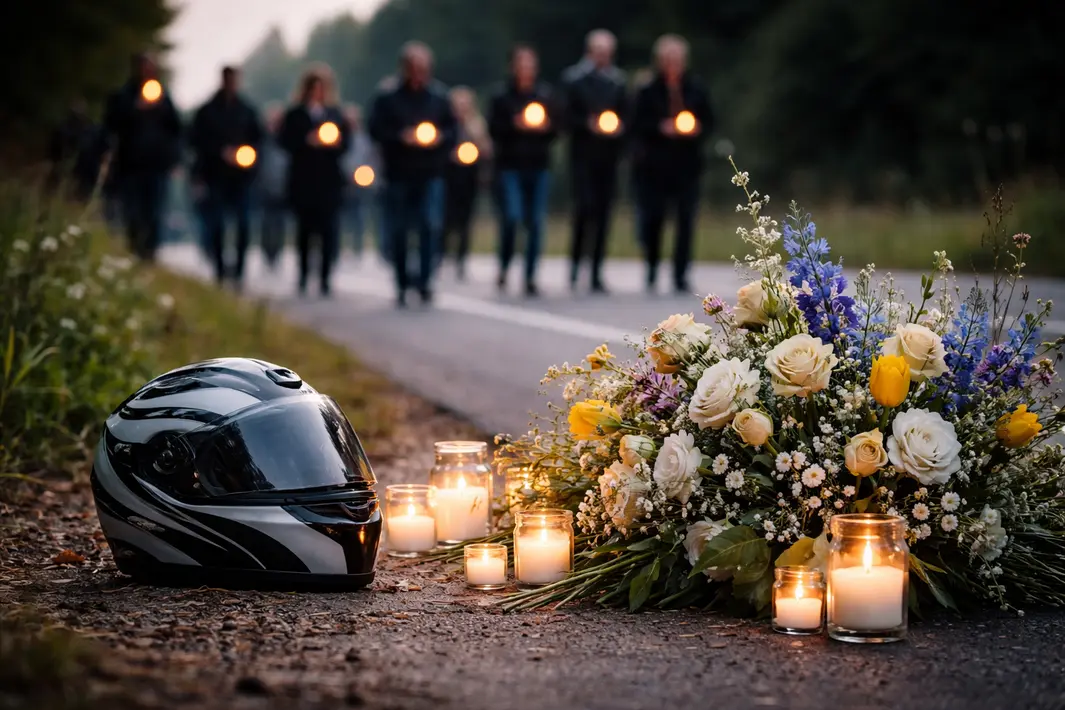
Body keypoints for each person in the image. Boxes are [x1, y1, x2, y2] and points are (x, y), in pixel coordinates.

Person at [368, 42, 456, 307]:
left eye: (423, 67)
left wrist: (439, 138)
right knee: (400, 230)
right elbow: (375, 130)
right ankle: (402, 281)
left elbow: (453, 131)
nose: (418, 72)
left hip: (430, 172)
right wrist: (400, 137)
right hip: (399, 173)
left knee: (430, 226)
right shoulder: (387, 98)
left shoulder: (439, 97)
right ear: (404, 68)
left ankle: (426, 280)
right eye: (413, 67)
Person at [632, 35, 713, 294]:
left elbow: (710, 120)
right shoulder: (647, 90)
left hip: (686, 164)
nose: (673, 65)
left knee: (686, 219)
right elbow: (636, 124)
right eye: (668, 60)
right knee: (654, 218)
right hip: (655, 166)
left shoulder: (696, 88)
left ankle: (680, 273)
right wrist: (660, 128)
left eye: (677, 60)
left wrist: (697, 128)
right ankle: (652, 265)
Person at [488, 44, 559, 297]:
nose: (526, 69)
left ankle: (530, 277)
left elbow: (557, 129)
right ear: (513, 67)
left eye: (530, 65)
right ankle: (505, 264)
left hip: (538, 166)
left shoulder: (545, 95)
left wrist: (545, 127)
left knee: (536, 222)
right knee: (512, 217)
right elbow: (493, 130)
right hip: (510, 167)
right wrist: (514, 124)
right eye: (522, 64)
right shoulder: (501, 97)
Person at [561, 29, 628, 294]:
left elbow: (627, 115)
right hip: (582, 156)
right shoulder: (574, 79)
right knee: (583, 209)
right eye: (599, 51)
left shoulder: (618, 82)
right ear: (590, 51)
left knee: (603, 213)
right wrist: (587, 124)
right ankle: (576, 264)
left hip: (608, 157)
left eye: (607, 52)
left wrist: (619, 128)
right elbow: (566, 116)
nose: (603, 56)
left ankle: (597, 270)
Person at [102, 52, 182, 262]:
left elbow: (176, 130)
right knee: (133, 211)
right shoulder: (124, 96)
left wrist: (174, 160)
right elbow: (111, 125)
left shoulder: (163, 98)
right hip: (130, 165)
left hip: (157, 165)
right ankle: (135, 248)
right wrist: (135, 109)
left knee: (154, 211)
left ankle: (150, 252)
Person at [278, 66, 350, 297]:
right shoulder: (295, 114)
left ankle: (326, 278)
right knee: (305, 232)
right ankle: (303, 275)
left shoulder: (336, 114)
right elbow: (284, 142)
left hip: (328, 181)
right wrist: (307, 141)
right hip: (304, 181)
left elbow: (346, 143)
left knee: (329, 232)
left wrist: (335, 142)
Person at [190, 66, 264, 288]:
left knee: (243, 223)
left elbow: (259, 139)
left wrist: (248, 156)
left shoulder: (247, 110)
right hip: (216, 175)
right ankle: (220, 268)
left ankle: (239, 270)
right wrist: (220, 152)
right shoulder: (207, 111)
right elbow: (196, 140)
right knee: (218, 224)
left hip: (241, 177)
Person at [443, 86, 491, 281]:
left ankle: (461, 258)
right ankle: (442, 253)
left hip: (469, 177)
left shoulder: (477, 125)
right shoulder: (447, 125)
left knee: (466, 220)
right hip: (449, 176)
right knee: (447, 218)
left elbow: (487, 149)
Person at [47, 99, 104, 202]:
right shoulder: (68, 128)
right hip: (69, 165)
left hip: (79, 167)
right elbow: (54, 147)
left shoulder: (87, 129)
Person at [340, 104, 375, 264]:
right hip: (343, 182)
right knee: (342, 217)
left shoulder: (364, 139)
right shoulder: (339, 136)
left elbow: (370, 157)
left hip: (361, 182)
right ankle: (342, 247)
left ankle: (358, 247)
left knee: (360, 215)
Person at [256, 103, 289, 271]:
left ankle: (277, 252)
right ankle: (267, 251)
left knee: (280, 223)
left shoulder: (287, 141)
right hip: (266, 188)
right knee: (267, 223)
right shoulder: (262, 142)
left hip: (283, 189)